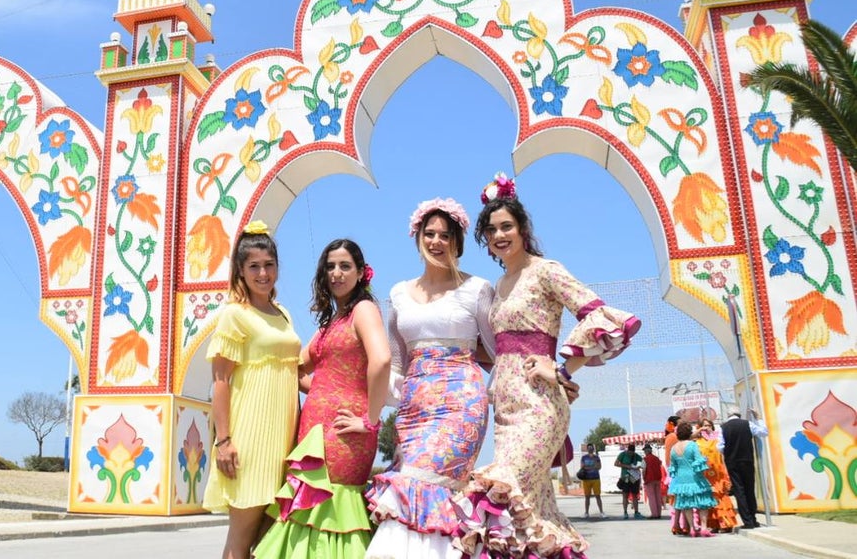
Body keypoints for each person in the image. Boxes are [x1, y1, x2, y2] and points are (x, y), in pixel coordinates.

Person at [456, 173, 641, 559]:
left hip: (540, 403)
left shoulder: (546, 270)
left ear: (523, 229)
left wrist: (562, 372)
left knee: (503, 488)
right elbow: (498, 348)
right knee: (533, 510)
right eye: (491, 230)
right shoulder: (499, 284)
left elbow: (596, 314)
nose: (499, 235)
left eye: (506, 226)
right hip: (504, 406)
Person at [364, 197, 496, 559]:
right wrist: (369, 411)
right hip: (414, 410)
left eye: (446, 235)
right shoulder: (398, 294)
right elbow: (396, 362)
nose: (437, 241)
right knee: (406, 484)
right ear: (417, 237)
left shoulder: (478, 289)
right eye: (430, 233)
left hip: (461, 407)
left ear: (458, 243)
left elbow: (498, 350)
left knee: (423, 484)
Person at [255, 239, 391, 559]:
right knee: (308, 509)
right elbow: (297, 367)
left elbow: (382, 360)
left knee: (332, 510)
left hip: (346, 433)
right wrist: (319, 391)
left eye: (345, 266)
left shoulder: (363, 310)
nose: (336, 273)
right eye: (330, 266)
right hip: (313, 430)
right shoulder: (331, 322)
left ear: (361, 273)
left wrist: (370, 421)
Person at [203, 221, 302, 559]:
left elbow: (293, 370)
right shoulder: (234, 314)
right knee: (242, 538)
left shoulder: (283, 313)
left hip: (283, 436)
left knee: (268, 537)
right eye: (254, 267)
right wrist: (224, 440)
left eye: (269, 265)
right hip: (250, 437)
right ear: (241, 272)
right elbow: (220, 381)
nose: (263, 273)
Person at [667, 421, 717, 537]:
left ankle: (693, 528)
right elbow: (698, 460)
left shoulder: (673, 448)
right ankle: (704, 528)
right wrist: (705, 459)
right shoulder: (692, 445)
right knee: (703, 502)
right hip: (695, 477)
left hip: (681, 480)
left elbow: (673, 466)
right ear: (689, 433)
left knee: (687, 504)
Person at [721, 409, 768, 529]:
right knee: (749, 489)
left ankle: (747, 521)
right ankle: (753, 518)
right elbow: (763, 432)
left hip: (732, 462)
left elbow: (720, 446)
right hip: (747, 460)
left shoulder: (723, 427)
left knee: (739, 491)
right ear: (739, 415)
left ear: (729, 415)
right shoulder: (748, 424)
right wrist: (758, 418)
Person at [695, 418, 737, 532]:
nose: (707, 427)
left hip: (718, 472)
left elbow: (723, 454)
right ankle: (714, 524)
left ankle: (725, 523)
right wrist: (699, 431)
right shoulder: (697, 442)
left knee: (721, 496)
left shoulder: (717, 438)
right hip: (705, 474)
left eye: (709, 425)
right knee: (709, 499)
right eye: (704, 425)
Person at [615, 443, 644, 519]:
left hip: (634, 478)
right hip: (625, 477)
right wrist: (627, 466)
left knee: (635, 495)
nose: (631, 454)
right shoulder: (622, 454)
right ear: (627, 450)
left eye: (632, 453)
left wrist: (638, 467)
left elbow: (643, 463)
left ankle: (636, 512)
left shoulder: (636, 455)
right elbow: (616, 463)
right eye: (629, 452)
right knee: (625, 495)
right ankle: (625, 512)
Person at [578, 443, 604, 518]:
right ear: (587, 449)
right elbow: (582, 467)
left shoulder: (596, 457)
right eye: (589, 448)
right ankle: (586, 513)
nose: (590, 449)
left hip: (596, 478)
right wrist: (593, 467)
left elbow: (599, 467)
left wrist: (588, 467)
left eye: (591, 448)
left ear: (593, 449)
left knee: (598, 496)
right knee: (587, 497)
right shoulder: (584, 457)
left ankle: (601, 512)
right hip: (586, 479)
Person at [642, 444, 665, 519]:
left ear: (646, 451)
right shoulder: (657, 458)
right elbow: (660, 464)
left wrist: (644, 478)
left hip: (649, 479)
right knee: (658, 496)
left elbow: (644, 470)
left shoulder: (645, 459)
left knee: (651, 497)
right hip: (657, 479)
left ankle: (654, 514)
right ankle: (659, 513)